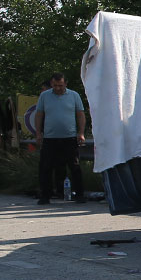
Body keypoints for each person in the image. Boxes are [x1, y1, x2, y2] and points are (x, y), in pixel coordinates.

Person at [34, 72, 86, 205]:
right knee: (46, 167)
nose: (58, 88)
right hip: (50, 138)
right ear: (51, 84)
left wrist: (81, 132)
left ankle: (79, 194)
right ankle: (45, 195)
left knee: (74, 167)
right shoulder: (44, 96)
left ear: (65, 84)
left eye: (61, 85)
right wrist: (38, 133)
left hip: (69, 137)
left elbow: (80, 115)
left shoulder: (74, 95)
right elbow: (39, 114)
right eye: (55, 85)